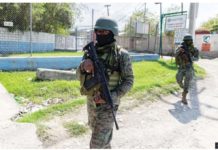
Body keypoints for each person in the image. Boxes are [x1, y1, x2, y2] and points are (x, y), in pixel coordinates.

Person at [76, 17, 134, 148]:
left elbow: (129, 80)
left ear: (113, 33)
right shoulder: (89, 53)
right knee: (102, 139)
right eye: (98, 32)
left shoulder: (121, 55)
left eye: (104, 32)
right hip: (92, 103)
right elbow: (78, 76)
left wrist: (111, 97)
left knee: (96, 144)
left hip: (109, 105)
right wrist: (83, 67)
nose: (100, 35)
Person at [175, 34, 199, 105]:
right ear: (184, 41)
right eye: (186, 40)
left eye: (189, 40)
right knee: (178, 79)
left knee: (187, 82)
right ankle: (183, 88)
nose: (188, 42)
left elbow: (197, 58)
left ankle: (184, 96)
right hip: (181, 67)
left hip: (189, 68)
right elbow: (175, 54)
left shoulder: (194, 49)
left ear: (191, 41)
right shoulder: (180, 47)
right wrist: (179, 52)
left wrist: (189, 58)